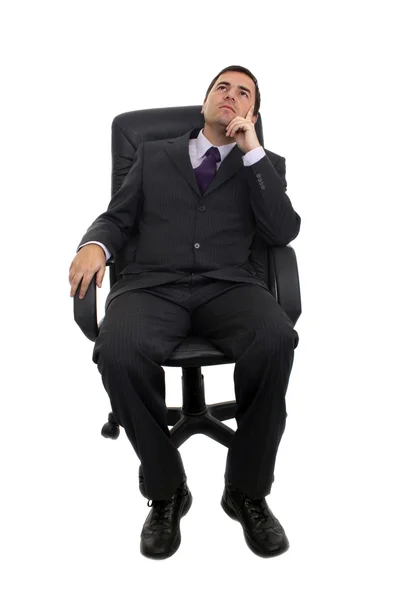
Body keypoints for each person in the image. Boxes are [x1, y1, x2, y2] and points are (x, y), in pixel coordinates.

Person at [69, 65, 301, 560]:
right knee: (117, 348)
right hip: (154, 286)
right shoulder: (154, 156)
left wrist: (252, 152)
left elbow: (282, 233)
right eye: (223, 87)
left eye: (244, 94)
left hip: (229, 287)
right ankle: (166, 489)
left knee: (275, 337)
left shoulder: (263, 165)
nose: (231, 97)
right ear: (204, 104)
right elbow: (118, 216)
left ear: (251, 114)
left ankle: (247, 490)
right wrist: (95, 244)